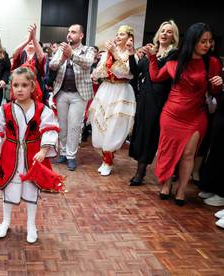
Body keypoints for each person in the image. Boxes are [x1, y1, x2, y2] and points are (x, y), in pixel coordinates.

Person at [147, 22, 223, 205]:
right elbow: (156, 77)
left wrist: (218, 84)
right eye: (203, 41)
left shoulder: (212, 62)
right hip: (171, 114)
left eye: (209, 41)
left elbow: (213, 92)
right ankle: (166, 185)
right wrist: (152, 59)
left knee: (188, 154)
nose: (207, 45)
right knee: (167, 150)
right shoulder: (175, 59)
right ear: (192, 40)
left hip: (196, 116)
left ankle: (181, 190)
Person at [0, 66, 59, 244]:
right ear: (11, 87)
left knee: (32, 190)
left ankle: (31, 225)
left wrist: (43, 150)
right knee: (8, 188)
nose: (19, 89)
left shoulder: (43, 110)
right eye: (15, 85)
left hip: (33, 156)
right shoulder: (4, 110)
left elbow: (49, 131)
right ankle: (6, 221)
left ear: (32, 87)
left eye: (24, 85)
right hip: (10, 155)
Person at [128, 20, 179, 186]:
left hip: (159, 100)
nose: (164, 34)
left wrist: (151, 56)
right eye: (162, 30)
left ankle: (141, 173)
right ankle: (141, 170)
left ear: (174, 37)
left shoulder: (173, 54)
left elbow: (160, 76)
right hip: (144, 97)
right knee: (141, 133)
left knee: (151, 135)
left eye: (169, 32)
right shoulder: (152, 50)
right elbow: (136, 71)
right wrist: (131, 54)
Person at [88, 25, 136, 176]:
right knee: (101, 122)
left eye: (122, 34)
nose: (118, 36)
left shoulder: (131, 54)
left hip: (121, 92)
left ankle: (108, 161)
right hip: (106, 89)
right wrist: (96, 73)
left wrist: (114, 53)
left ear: (129, 38)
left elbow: (126, 73)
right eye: (118, 34)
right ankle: (105, 158)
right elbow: (101, 71)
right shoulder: (108, 52)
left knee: (115, 126)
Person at [49, 24, 97, 171]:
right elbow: (52, 65)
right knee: (62, 126)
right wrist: (63, 58)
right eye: (69, 32)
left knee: (74, 126)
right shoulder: (62, 49)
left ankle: (71, 156)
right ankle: (63, 153)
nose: (69, 34)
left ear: (81, 35)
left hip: (79, 94)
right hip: (61, 92)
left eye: (73, 32)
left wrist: (72, 55)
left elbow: (88, 63)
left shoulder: (89, 49)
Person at [11, 23, 46, 103]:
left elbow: (41, 56)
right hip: (21, 87)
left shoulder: (38, 54)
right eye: (28, 40)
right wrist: (28, 39)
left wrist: (33, 37)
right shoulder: (21, 54)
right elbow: (14, 54)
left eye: (32, 40)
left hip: (35, 88)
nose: (30, 41)